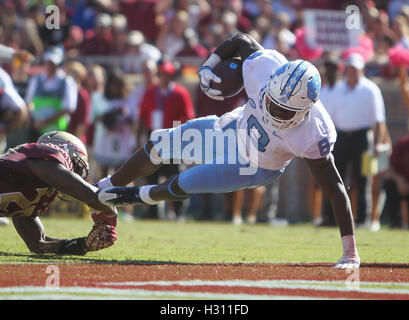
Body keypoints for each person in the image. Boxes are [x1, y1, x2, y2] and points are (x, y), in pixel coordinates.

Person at [97, 33, 360, 268]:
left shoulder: (313, 132)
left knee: (187, 181)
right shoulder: (267, 67)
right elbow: (242, 41)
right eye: (271, 101)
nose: (273, 111)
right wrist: (208, 66)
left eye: (284, 110)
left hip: (257, 164)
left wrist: (350, 253)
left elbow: (335, 188)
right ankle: (104, 187)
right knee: (160, 144)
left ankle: (126, 197)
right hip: (233, 129)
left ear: (305, 110)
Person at [0, 130, 118, 254]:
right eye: (76, 169)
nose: (75, 176)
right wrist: (109, 209)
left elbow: (39, 244)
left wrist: (83, 244)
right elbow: (88, 194)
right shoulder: (47, 154)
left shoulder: (28, 185)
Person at [321, 53, 388, 228]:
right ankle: (330, 218)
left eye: (355, 70)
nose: (352, 73)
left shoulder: (371, 89)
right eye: (349, 69)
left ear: (361, 71)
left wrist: (378, 143)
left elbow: (379, 119)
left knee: (363, 178)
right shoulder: (338, 90)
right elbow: (331, 118)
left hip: (363, 138)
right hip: (341, 137)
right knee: (335, 177)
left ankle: (363, 219)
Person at [25, 47, 78, 141]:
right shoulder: (36, 79)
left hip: (57, 133)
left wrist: (45, 122)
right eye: (48, 62)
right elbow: (29, 102)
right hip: (35, 129)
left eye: (53, 63)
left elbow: (68, 108)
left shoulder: (67, 82)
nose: (50, 66)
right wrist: (32, 119)